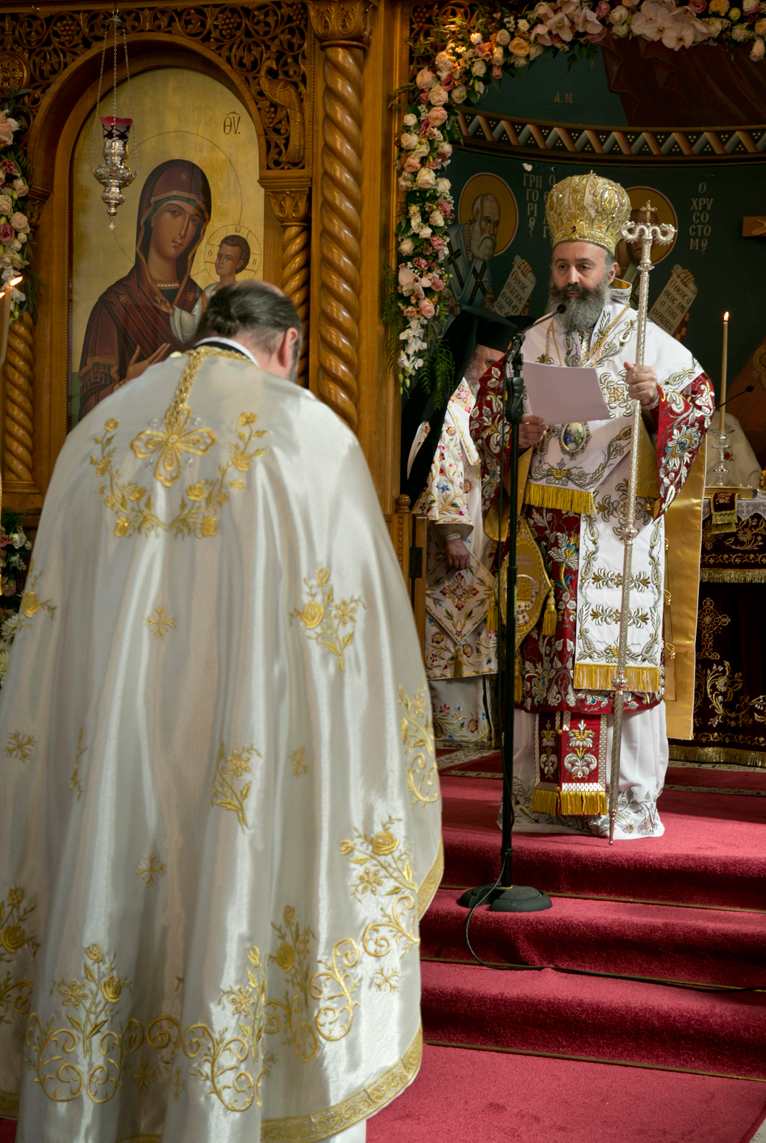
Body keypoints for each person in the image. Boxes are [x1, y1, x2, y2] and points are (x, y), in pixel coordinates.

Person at [0, 281, 442, 1141]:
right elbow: (351, 638)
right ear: (285, 346)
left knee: (114, 901)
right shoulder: (307, 434)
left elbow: (49, 634)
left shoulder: (98, 432)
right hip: (248, 751)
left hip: (116, 757)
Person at [472, 171, 714, 839]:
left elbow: (698, 405)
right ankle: (536, 798)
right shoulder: (531, 342)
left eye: (584, 265)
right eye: (562, 265)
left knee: (610, 658)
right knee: (545, 660)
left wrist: (655, 402)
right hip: (546, 541)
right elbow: (486, 419)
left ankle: (624, 796)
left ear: (611, 267)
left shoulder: (649, 343)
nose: (571, 277)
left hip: (615, 533)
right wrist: (514, 436)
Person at [402, 308, 532, 744]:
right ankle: (446, 730)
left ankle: (472, 732)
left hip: (478, 534)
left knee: (473, 633)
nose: (498, 376)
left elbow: (484, 465)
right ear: (476, 356)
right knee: (447, 632)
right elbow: (436, 461)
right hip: (449, 545)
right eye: (493, 365)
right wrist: (453, 532)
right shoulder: (447, 403)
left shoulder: (475, 403)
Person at [78, 159, 212, 419]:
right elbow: (86, 412)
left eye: (194, 220)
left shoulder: (201, 302)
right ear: (150, 218)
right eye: (174, 213)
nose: (184, 230)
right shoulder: (114, 305)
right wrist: (127, 384)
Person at [447, 192, 501, 309]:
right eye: (487, 221)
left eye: (495, 224)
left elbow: (488, 308)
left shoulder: (483, 262)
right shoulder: (448, 240)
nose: (491, 231)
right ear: (477, 214)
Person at [201, 234, 252, 306]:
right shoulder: (208, 291)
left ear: (239, 264)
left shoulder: (242, 295)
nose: (221, 261)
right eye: (219, 256)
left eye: (228, 258)